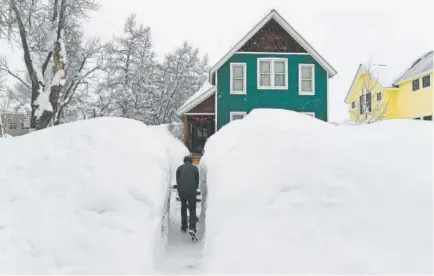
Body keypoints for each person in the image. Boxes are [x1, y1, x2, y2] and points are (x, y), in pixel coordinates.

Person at [176, 155, 199, 234]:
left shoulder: (179, 168)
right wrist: (194, 189)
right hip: (191, 190)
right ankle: (192, 227)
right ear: (191, 161)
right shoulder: (195, 168)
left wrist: (180, 190)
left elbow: (178, 181)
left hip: (182, 190)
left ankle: (184, 226)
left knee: (183, 206)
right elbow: (197, 181)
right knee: (192, 208)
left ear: (184, 161)